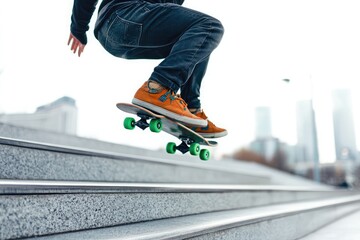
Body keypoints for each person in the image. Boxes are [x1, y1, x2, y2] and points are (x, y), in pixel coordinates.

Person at [68, 0, 227, 138]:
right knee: (209, 27)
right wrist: (78, 28)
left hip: (120, 32)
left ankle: (191, 108)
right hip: (123, 16)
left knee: (200, 40)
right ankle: (157, 89)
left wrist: (79, 29)